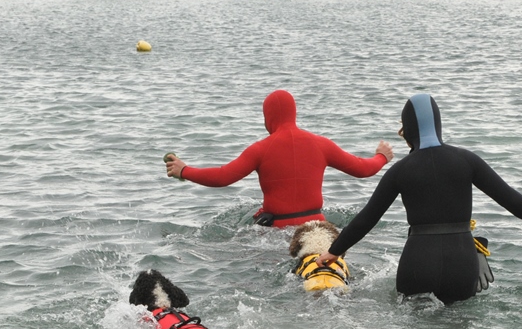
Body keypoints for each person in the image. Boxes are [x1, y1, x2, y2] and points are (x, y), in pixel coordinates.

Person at [317, 94, 522, 305]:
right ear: (438, 124)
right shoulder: (466, 160)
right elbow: (507, 196)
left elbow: (367, 218)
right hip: (462, 264)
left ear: (407, 131)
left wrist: (334, 251)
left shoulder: (399, 170)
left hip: (418, 264)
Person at [164, 89, 393, 228]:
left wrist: (184, 170)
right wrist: (382, 156)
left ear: (268, 117)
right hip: (317, 224)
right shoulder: (321, 144)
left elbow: (223, 177)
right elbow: (363, 169)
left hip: (276, 233)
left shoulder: (260, 149)